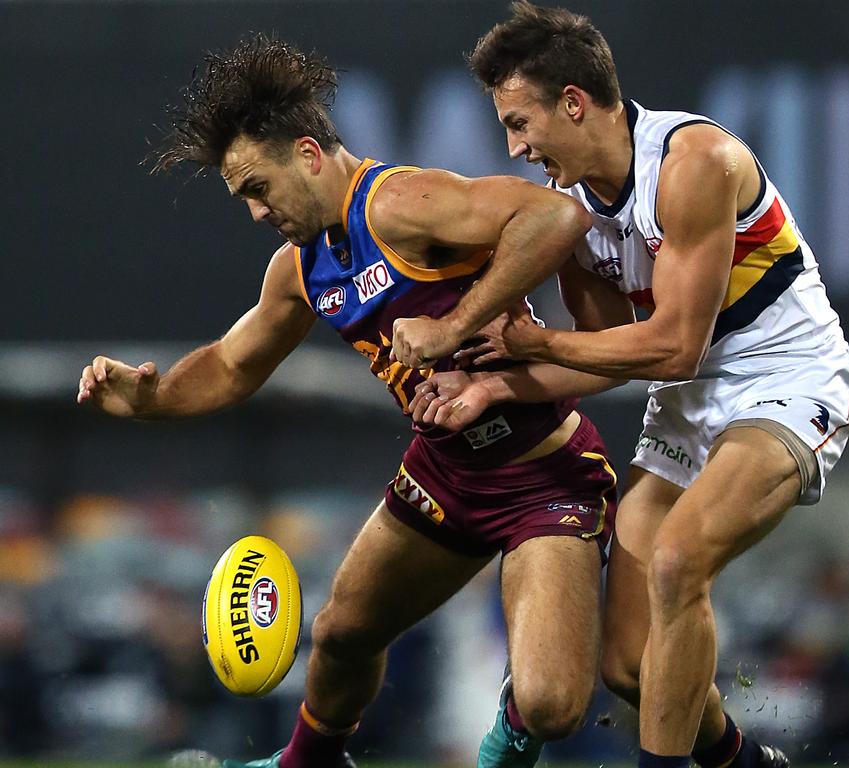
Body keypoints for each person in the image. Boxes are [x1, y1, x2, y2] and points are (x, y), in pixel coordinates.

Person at [76, 33, 620, 768]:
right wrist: (150, 398)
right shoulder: (299, 269)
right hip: (447, 474)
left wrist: (454, 325)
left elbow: (557, 218)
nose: (256, 214)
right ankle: (307, 763)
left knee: (553, 704)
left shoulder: (400, 204)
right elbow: (235, 364)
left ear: (307, 154)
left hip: (545, 473)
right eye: (243, 200)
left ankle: (508, 742)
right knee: (339, 636)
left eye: (258, 190)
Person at [400, 3, 849, 768]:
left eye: (519, 122)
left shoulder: (692, 165)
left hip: (784, 377)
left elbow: (675, 345)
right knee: (628, 665)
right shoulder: (574, 213)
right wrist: (497, 388)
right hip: (686, 402)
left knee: (678, 559)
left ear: (573, 103)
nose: (514, 148)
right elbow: (601, 353)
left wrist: (536, 342)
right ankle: (742, 762)